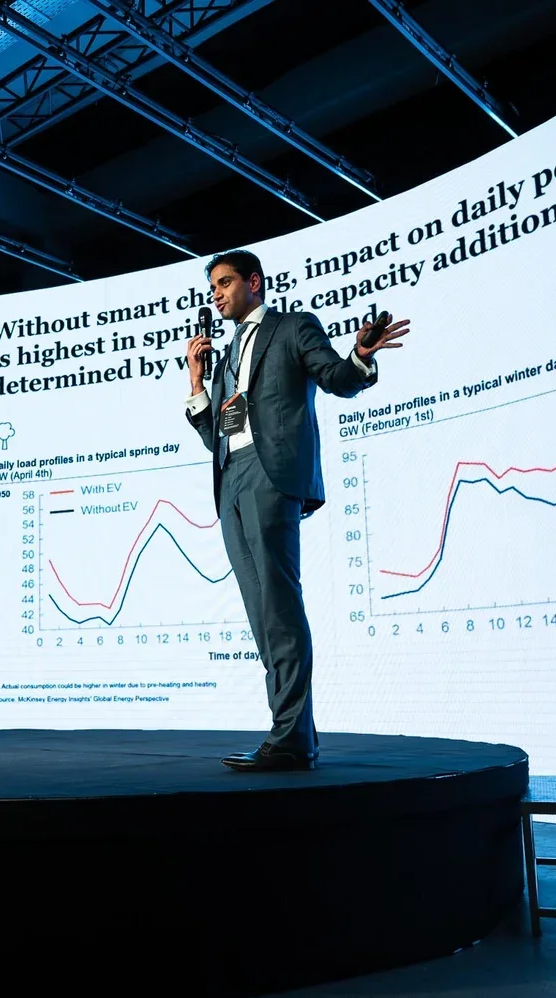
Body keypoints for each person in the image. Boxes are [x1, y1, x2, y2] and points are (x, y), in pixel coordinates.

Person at [185, 249, 410, 771]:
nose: (215, 294)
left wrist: (361, 357)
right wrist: (197, 381)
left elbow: (335, 377)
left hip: (272, 474)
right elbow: (213, 436)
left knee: (280, 606)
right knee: (260, 613)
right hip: (231, 481)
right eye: (212, 287)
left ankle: (290, 736)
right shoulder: (224, 356)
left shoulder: (292, 328)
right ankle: (291, 734)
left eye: (223, 283)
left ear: (254, 282)